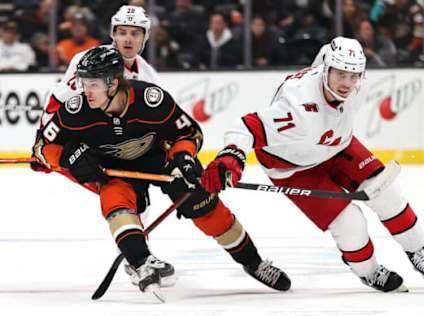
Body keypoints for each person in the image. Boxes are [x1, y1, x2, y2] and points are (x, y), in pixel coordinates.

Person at [32, 46, 291, 298]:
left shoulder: (151, 100)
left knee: (204, 207)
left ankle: (254, 263)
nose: (85, 91)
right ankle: (142, 262)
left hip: (160, 161)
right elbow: (42, 147)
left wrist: (184, 158)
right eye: (84, 83)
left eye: (93, 84)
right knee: (115, 203)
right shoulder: (75, 110)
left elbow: (189, 133)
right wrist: (69, 157)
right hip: (113, 168)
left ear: (113, 83)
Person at [201, 36, 424, 293]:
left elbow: (327, 50)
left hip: (339, 146)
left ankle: (418, 251)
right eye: (341, 75)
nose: (347, 84)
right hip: (294, 168)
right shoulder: (298, 108)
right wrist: (230, 157)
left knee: (387, 192)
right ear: (327, 69)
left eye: (353, 76)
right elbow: (246, 127)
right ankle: (370, 272)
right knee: (350, 224)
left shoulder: (351, 78)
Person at [33, 5, 176, 284]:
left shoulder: (148, 77)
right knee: (123, 195)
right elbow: (60, 103)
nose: (127, 39)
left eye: (135, 33)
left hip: (114, 149)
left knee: (137, 200)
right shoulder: (90, 60)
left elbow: (161, 126)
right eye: (121, 32)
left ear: (145, 38)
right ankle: (139, 261)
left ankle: (138, 257)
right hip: (80, 147)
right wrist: (45, 145)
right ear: (112, 33)